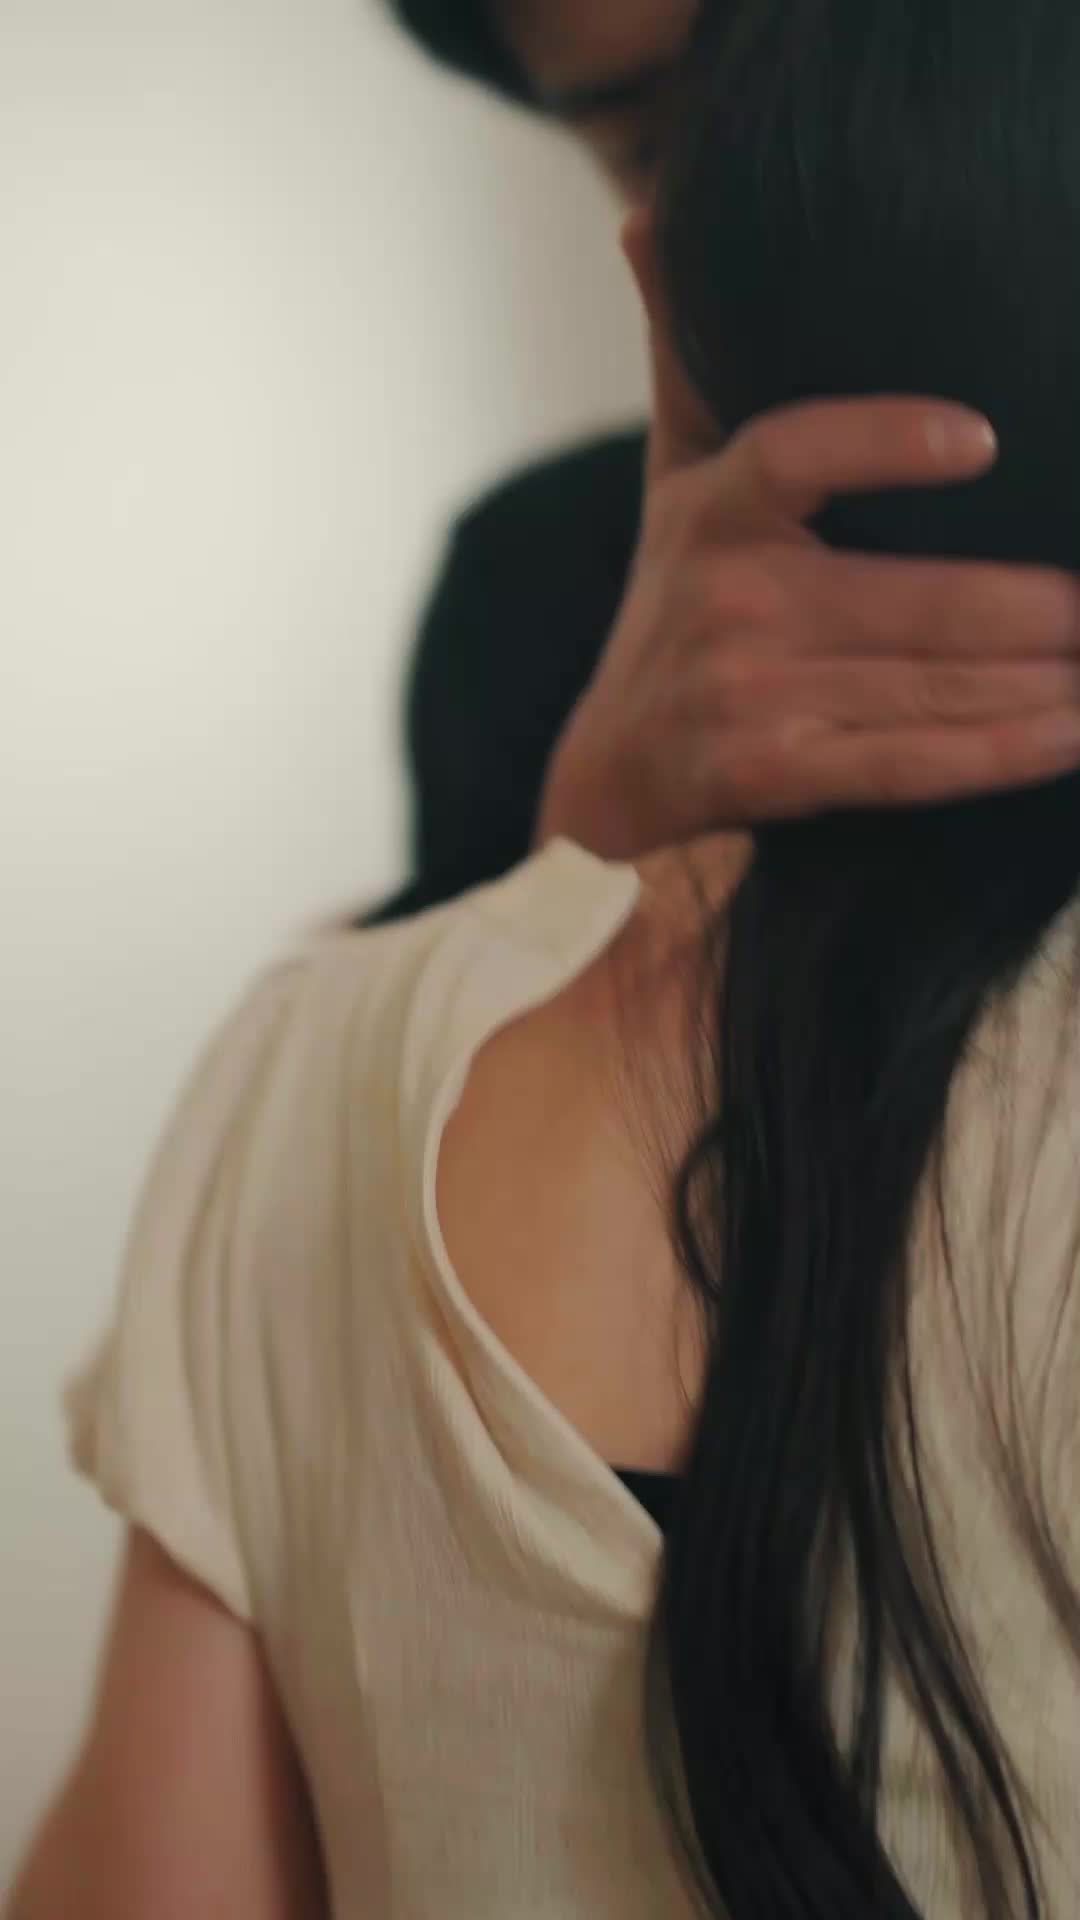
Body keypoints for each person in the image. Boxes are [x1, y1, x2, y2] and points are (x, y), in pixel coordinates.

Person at [7, 1, 1080, 1917]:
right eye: (666, 126)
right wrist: (586, 845)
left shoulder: (308, 1062)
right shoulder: (521, 631)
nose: (800, 140)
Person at [373, 0, 1080, 917]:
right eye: (657, 138)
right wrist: (590, 854)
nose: (779, 171)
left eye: (858, 70)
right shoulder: (526, 599)